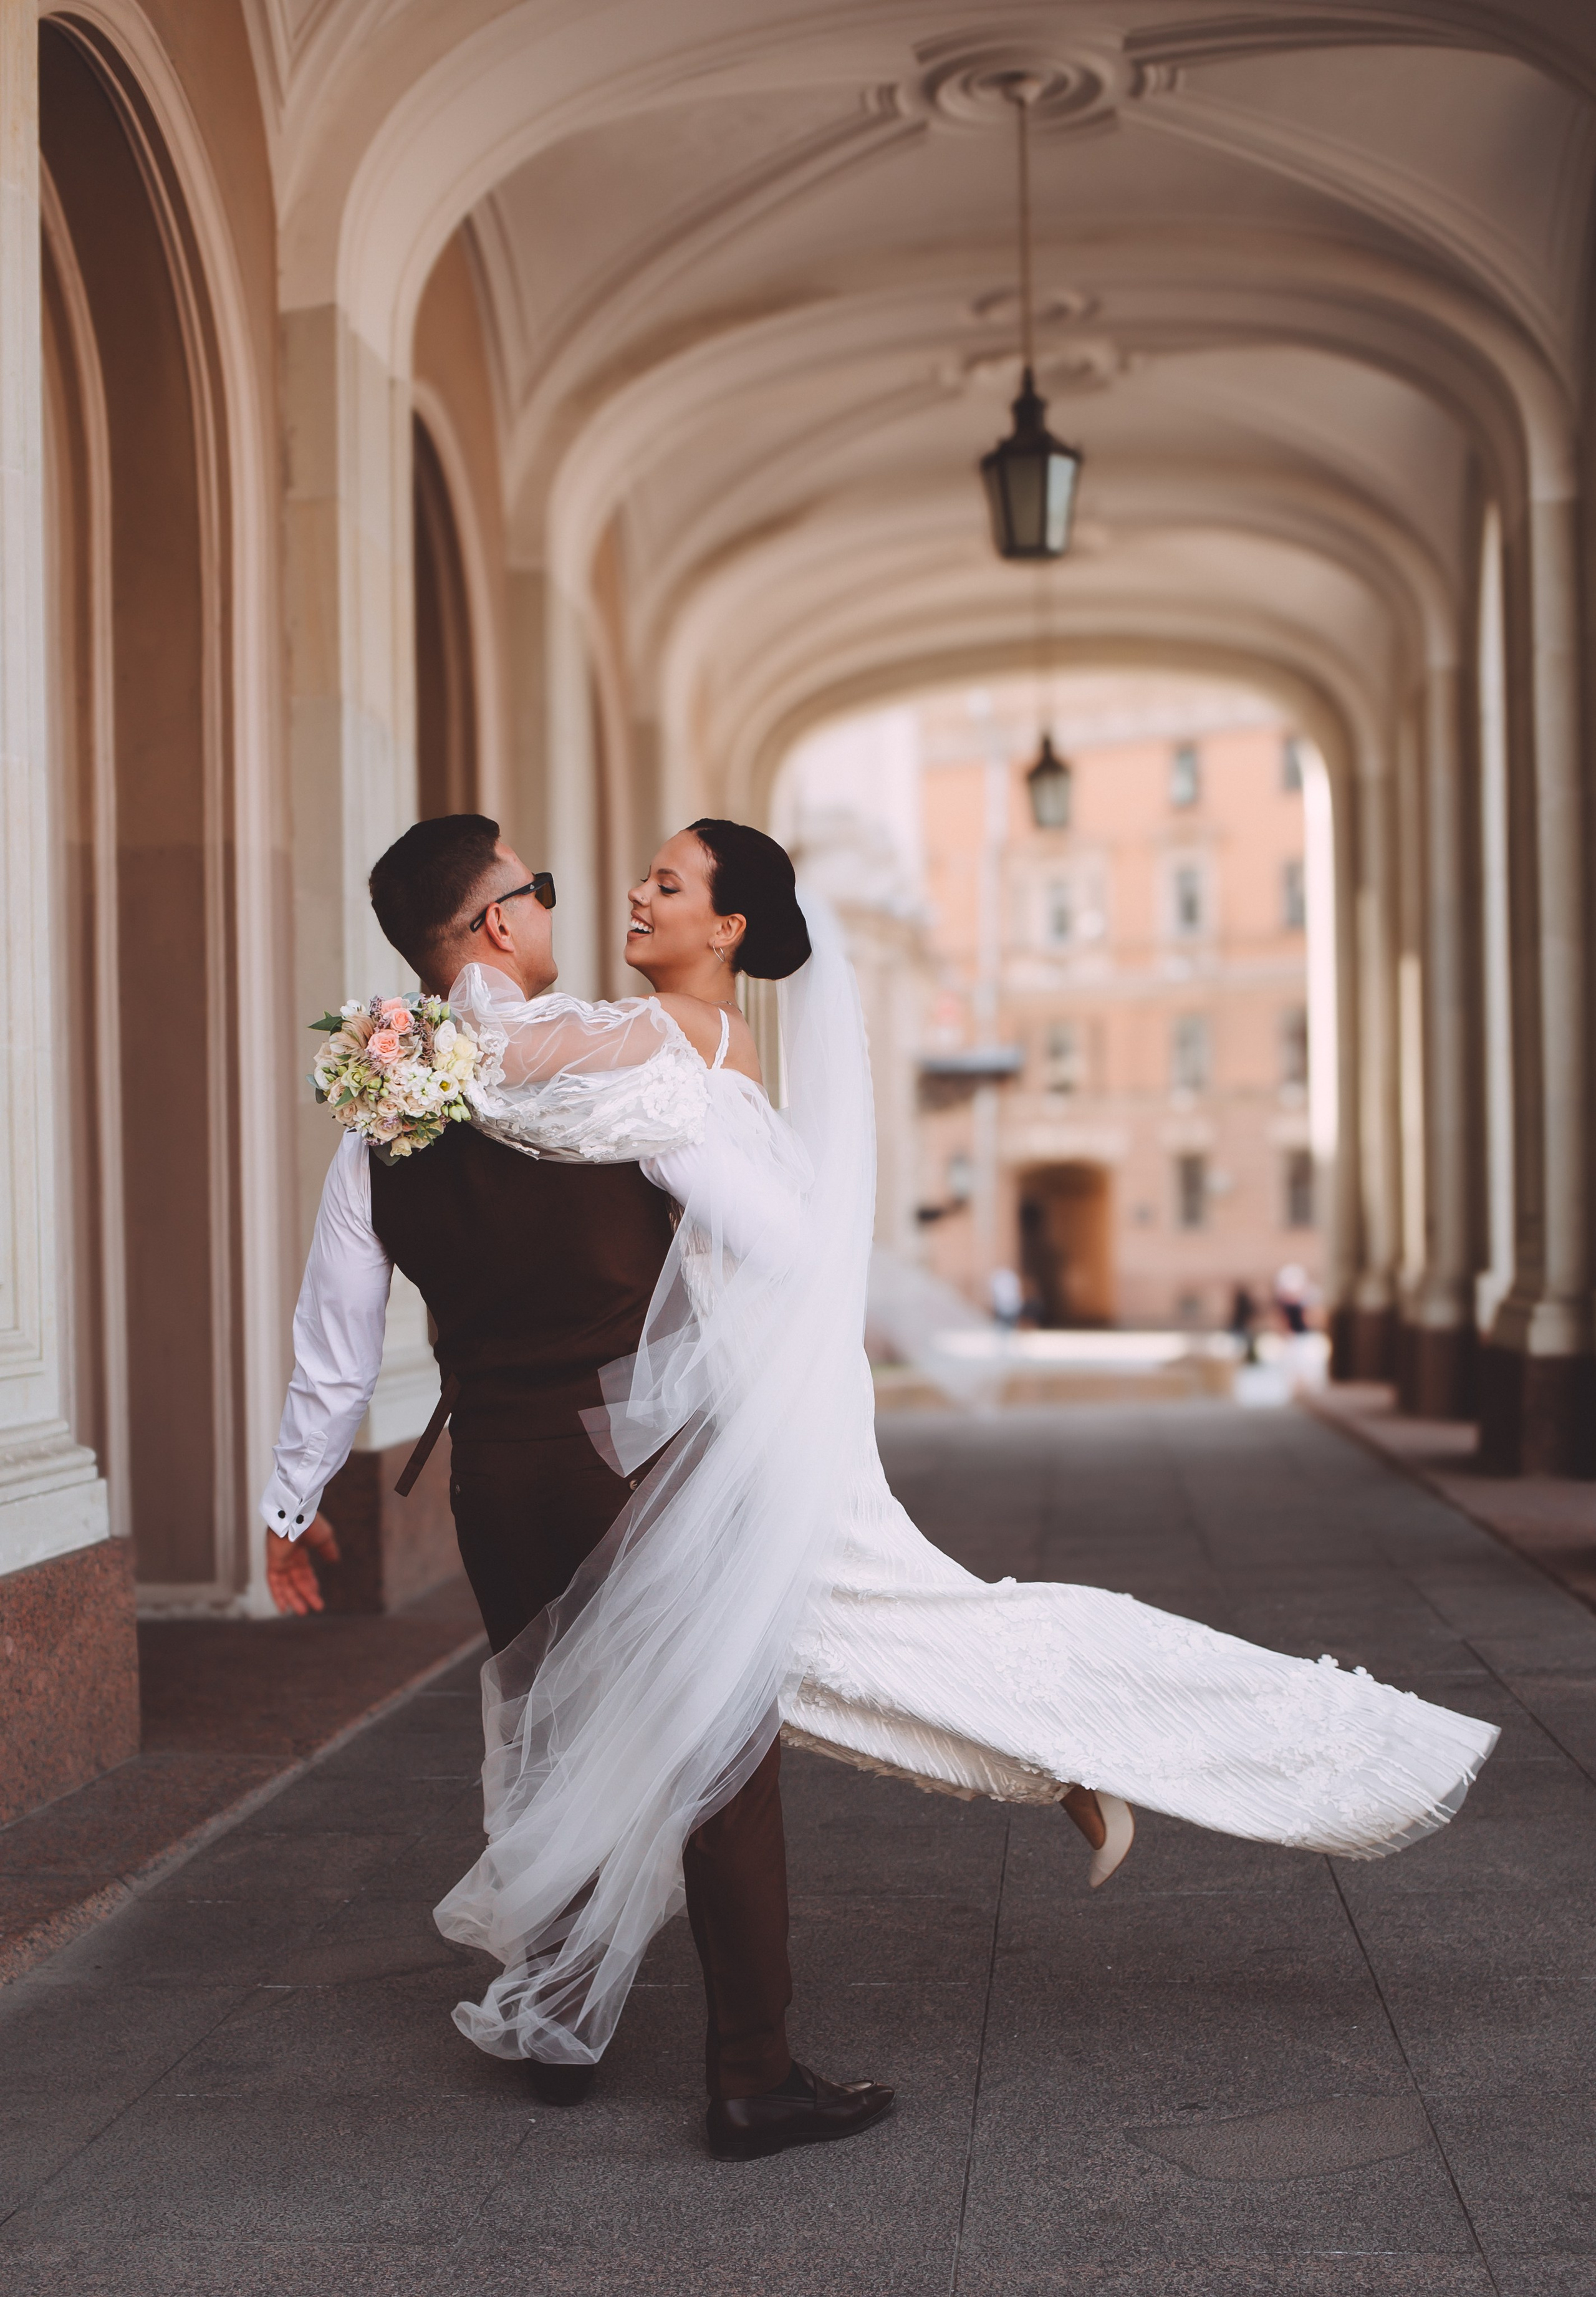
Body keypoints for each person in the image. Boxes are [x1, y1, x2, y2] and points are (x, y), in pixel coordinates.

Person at [438, 819, 1499, 2066]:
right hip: (760, 1393)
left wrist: (424, 1006)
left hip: (760, 1407)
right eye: (644, 877)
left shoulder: (668, 1036)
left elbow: (501, 1056)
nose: (633, 893)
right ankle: (1071, 1760)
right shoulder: (698, 1039)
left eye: (665, 884)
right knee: (809, 1651)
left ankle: (1142, 1747)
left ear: (724, 930)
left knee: (829, 1640)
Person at [261, 813, 892, 2162]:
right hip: (636, 1458)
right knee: (719, 1755)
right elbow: (783, 1243)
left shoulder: (380, 1106)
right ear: (498, 923)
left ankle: (558, 2033)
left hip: (498, 1472)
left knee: (544, 1729)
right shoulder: (617, 1079)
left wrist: (289, 1503)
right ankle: (751, 2072)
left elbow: (334, 1335)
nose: (562, 905)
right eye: (537, 892)